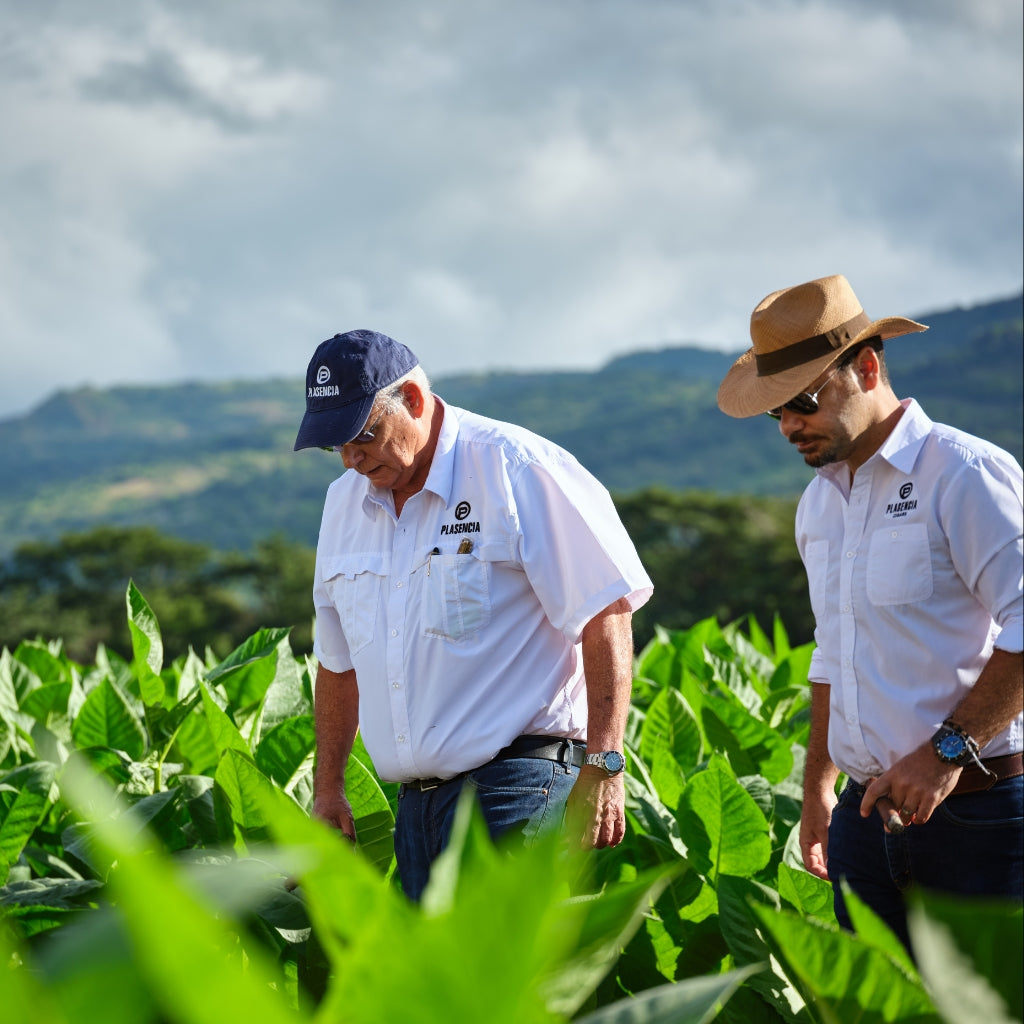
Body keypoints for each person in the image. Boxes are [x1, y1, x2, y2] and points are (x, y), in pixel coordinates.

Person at [716, 274, 1023, 951]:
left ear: (868, 367)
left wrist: (946, 752)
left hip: (979, 816)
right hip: (862, 823)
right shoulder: (820, 505)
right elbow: (835, 652)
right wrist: (817, 788)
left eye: (802, 401)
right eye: (777, 412)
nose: (790, 425)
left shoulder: (963, 473)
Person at [294, 328, 653, 900]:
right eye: (334, 444)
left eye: (363, 434)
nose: (351, 457)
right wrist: (328, 787)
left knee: (500, 982)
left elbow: (604, 608)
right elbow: (338, 663)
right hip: (416, 808)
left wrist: (607, 763)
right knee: (437, 988)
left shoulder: (515, 467)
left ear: (412, 400)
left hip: (518, 784)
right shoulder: (343, 505)